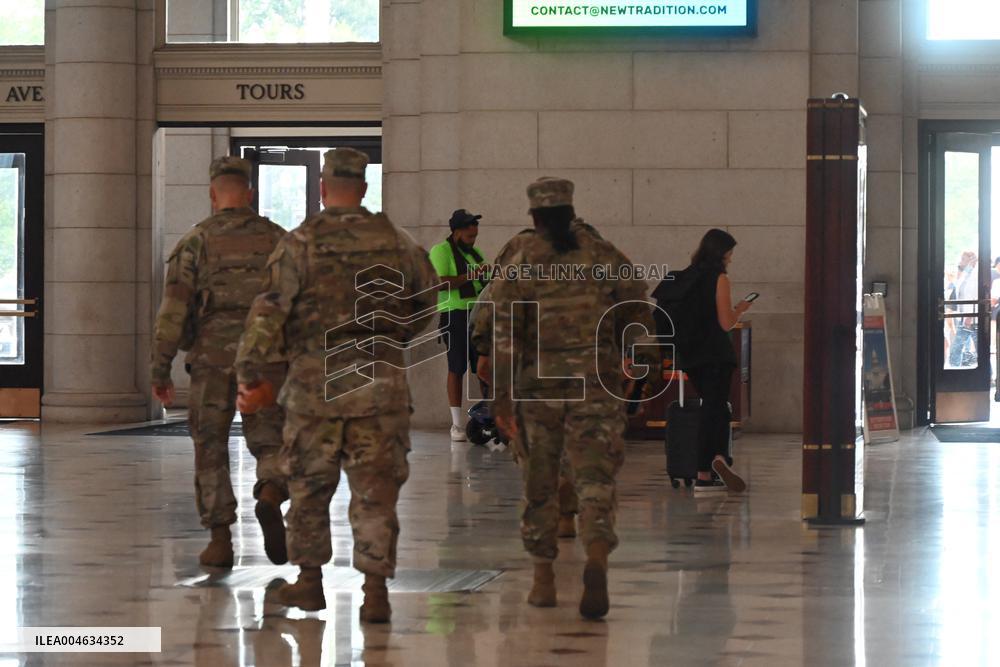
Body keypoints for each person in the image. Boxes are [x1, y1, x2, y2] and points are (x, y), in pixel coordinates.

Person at [234, 148, 438, 622]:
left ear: (324, 188)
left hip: (314, 391)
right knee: (376, 493)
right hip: (380, 387)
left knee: (308, 489)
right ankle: (375, 593)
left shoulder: (299, 242)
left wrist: (252, 377)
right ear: (363, 189)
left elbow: (267, 312)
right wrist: (396, 337)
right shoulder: (397, 241)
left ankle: (309, 585)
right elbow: (428, 300)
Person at [470, 176, 654, 619]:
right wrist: (640, 367)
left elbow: (498, 325)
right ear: (571, 212)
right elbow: (638, 310)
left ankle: (544, 581)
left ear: (534, 215)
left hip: (538, 393)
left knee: (539, 483)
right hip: (595, 386)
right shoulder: (602, 254)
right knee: (596, 479)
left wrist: (500, 396)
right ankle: (595, 557)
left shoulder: (522, 258)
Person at [150, 156, 289, 568]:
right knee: (271, 439)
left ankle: (220, 541)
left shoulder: (196, 241)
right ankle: (270, 494)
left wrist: (161, 367)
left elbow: (173, 309)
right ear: (251, 194)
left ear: (213, 195)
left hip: (211, 359)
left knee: (209, 445)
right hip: (265, 359)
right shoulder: (279, 240)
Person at [668, 229, 750, 493]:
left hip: (691, 356)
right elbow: (726, 322)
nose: (731, 259)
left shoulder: (688, 276)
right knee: (713, 411)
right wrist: (740, 309)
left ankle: (717, 459)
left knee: (716, 409)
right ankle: (706, 470)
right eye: (730, 253)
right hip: (715, 354)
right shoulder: (719, 278)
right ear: (721, 252)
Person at [428, 209, 489, 441]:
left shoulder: (475, 253)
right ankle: (456, 424)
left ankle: (489, 416)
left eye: (475, 236)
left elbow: (485, 277)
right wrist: (472, 275)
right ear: (456, 233)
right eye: (469, 237)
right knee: (456, 367)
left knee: (484, 366)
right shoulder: (441, 251)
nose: (473, 241)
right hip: (455, 314)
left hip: (478, 314)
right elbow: (440, 283)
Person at [949, 250, 978, 368]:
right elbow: (958, 286)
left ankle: (954, 375)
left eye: (963, 259)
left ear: (971, 261)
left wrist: (969, 317)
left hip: (970, 318)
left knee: (956, 349)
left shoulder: (975, 275)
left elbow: (975, 296)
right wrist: (961, 269)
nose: (960, 261)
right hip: (965, 317)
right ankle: (989, 376)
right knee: (980, 348)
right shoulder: (967, 274)